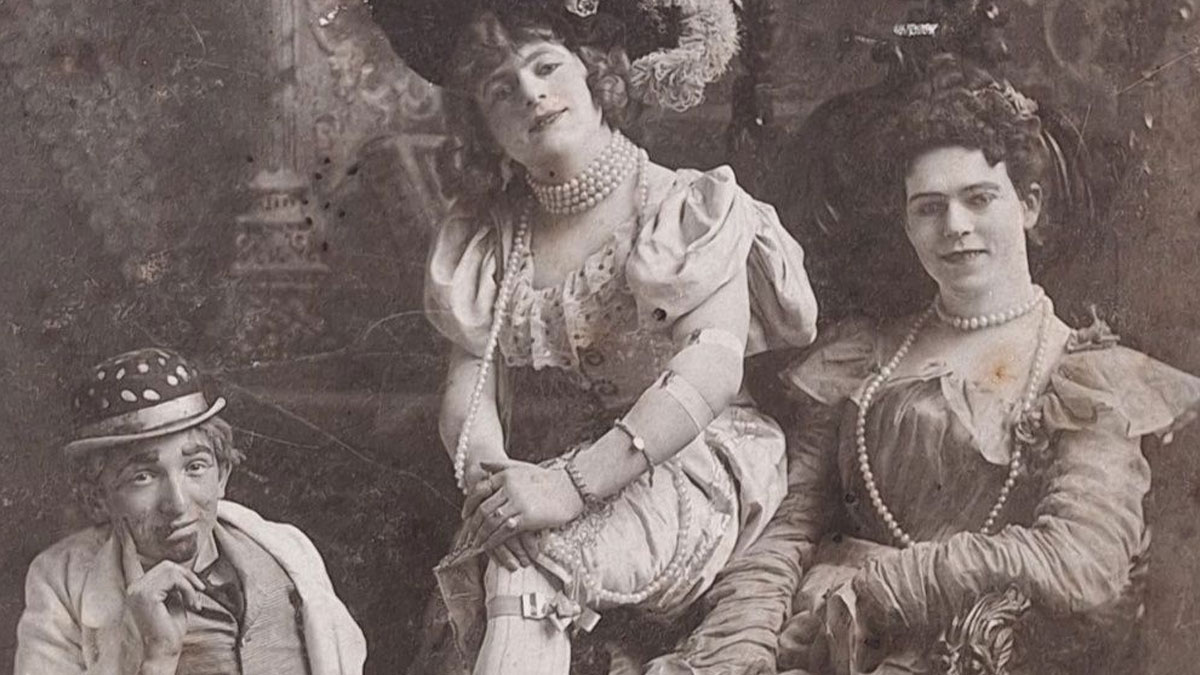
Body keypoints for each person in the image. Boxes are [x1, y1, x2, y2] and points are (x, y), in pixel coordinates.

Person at [652, 56, 1200, 674]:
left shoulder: (1085, 374)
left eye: (979, 199)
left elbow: (1084, 560)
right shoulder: (864, 354)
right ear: (907, 224)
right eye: (929, 207)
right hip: (809, 642)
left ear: (1030, 205)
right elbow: (789, 525)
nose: (955, 227)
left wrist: (882, 586)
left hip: (966, 649)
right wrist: (742, 645)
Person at [373, 0, 819, 672]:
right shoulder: (490, 236)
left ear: (597, 76)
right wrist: (493, 488)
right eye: (501, 90)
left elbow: (712, 370)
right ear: (485, 129)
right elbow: (470, 386)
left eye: (546, 66)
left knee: (533, 572)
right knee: (498, 561)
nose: (531, 93)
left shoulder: (685, 204)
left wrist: (570, 488)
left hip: (695, 465)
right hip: (555, 473)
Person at [15, 347, 367, 675]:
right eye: (143, 476)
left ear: (223, 474)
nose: (178, 504)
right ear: (97, 499)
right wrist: (158, 657)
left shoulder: (287, 552)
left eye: (195, 466)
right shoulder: (62, 583)